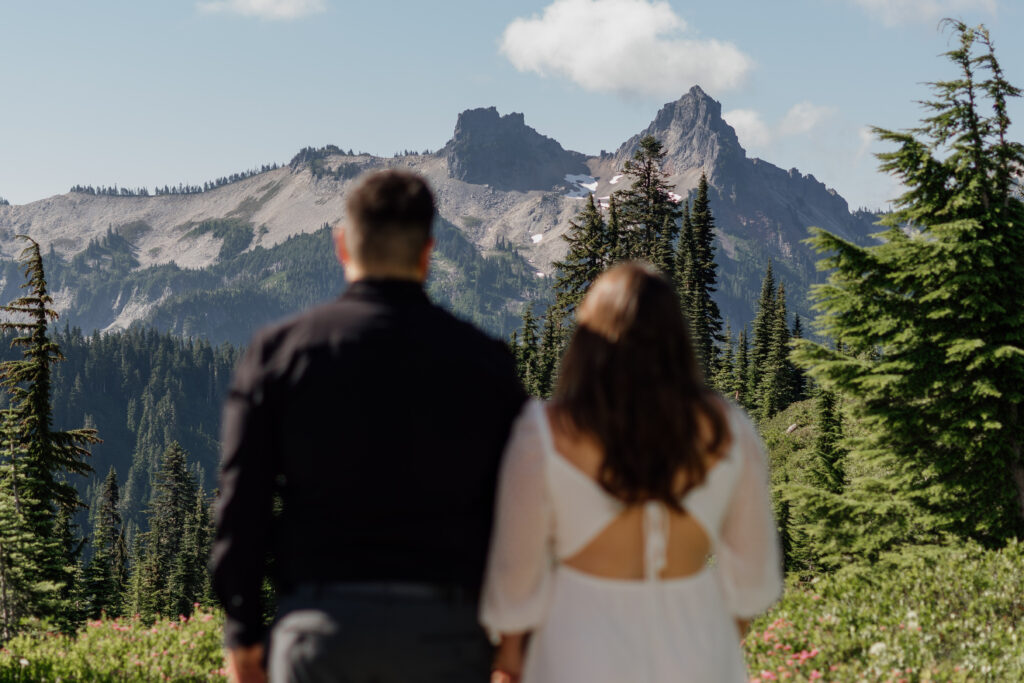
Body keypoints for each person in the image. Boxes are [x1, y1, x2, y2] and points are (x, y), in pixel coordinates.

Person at [211, 169, 527, 683]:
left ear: (341, 245)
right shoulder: (486, 363)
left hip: (318, 633)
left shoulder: (279, 354)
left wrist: (243, 635)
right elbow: (521, 508)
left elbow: (241, 504)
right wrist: (513, 643)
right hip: (446, 638)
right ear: (428, 252)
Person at [480, 262, 783, 683]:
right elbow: (754, 580)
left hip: (575, 655)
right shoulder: (730, 431)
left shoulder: (544, 434)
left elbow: (514, 585)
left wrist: (509, 662)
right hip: (697, 659)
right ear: (677, 340)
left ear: (589, 340)